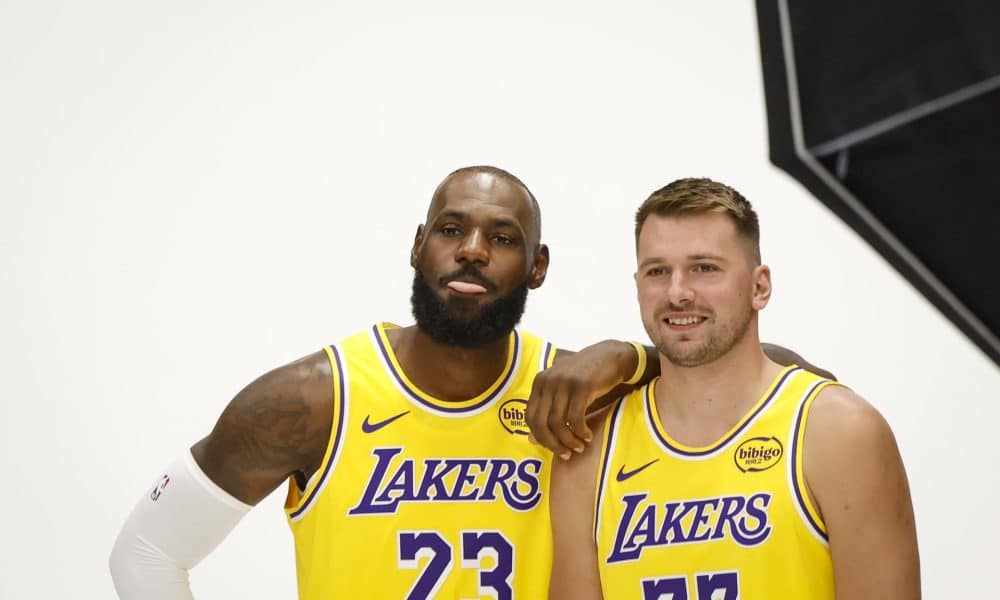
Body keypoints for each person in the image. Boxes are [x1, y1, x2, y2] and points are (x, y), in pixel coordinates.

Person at [109, 167, 822, 599]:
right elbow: (144, 555)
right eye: (453, 229)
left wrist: (631, 357)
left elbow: (793, 380)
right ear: (418, 244)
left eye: (503, 238)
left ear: (537, 266)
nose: (474, 251)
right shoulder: (314, 401)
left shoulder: (574, 390)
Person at [546, 178, 920, 600]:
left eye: (704, 268)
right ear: (637, 286)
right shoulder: (589, 456)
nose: (677, 292)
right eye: (657, 271)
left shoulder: (838, 431)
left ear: (760, 286)